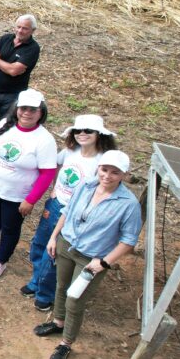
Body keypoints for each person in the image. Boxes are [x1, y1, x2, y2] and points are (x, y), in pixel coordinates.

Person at [33, 150, 141, 359]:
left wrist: (104, 262)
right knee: (61, 286)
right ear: (98, 168)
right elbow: (67, 212)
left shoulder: (129, 204)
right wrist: (54, 237)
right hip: (66, 244)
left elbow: (128, 241)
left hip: (92, 258)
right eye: (104, 169)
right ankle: (58, 322)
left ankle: (66, 343)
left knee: (75, 299)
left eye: (115, 172)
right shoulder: (86, 185)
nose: (107, 176)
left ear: (124, 175)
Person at [23, 115, 117, 312]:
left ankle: (45, 294)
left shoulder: (101, 161)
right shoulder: (69, 152)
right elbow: (56, 167)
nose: (82, 134)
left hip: (73, 213)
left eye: (88, 131)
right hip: (55, 204)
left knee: (55, 253)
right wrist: (55, 189)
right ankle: (35, 281)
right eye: (78, 130)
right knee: (40, 242)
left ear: (99, 134)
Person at [0, 89, 58, 279]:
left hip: (17, 194)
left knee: (10, 227)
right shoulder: (5, 124)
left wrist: (31, 200)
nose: (27, 113)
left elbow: (47, 173)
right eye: (23, 108)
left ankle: (1, 259)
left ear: (41, 112)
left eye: (32, 109)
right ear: (17, 109)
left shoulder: (44, 139)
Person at [0, 14, 42, 121]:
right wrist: (9, 67)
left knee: (7, 124)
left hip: (14, 95)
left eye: (25, 28)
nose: (20, 31)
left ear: (33, 30)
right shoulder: (5, 39)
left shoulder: (33, 48)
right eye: (18, 27)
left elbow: (14, 71)